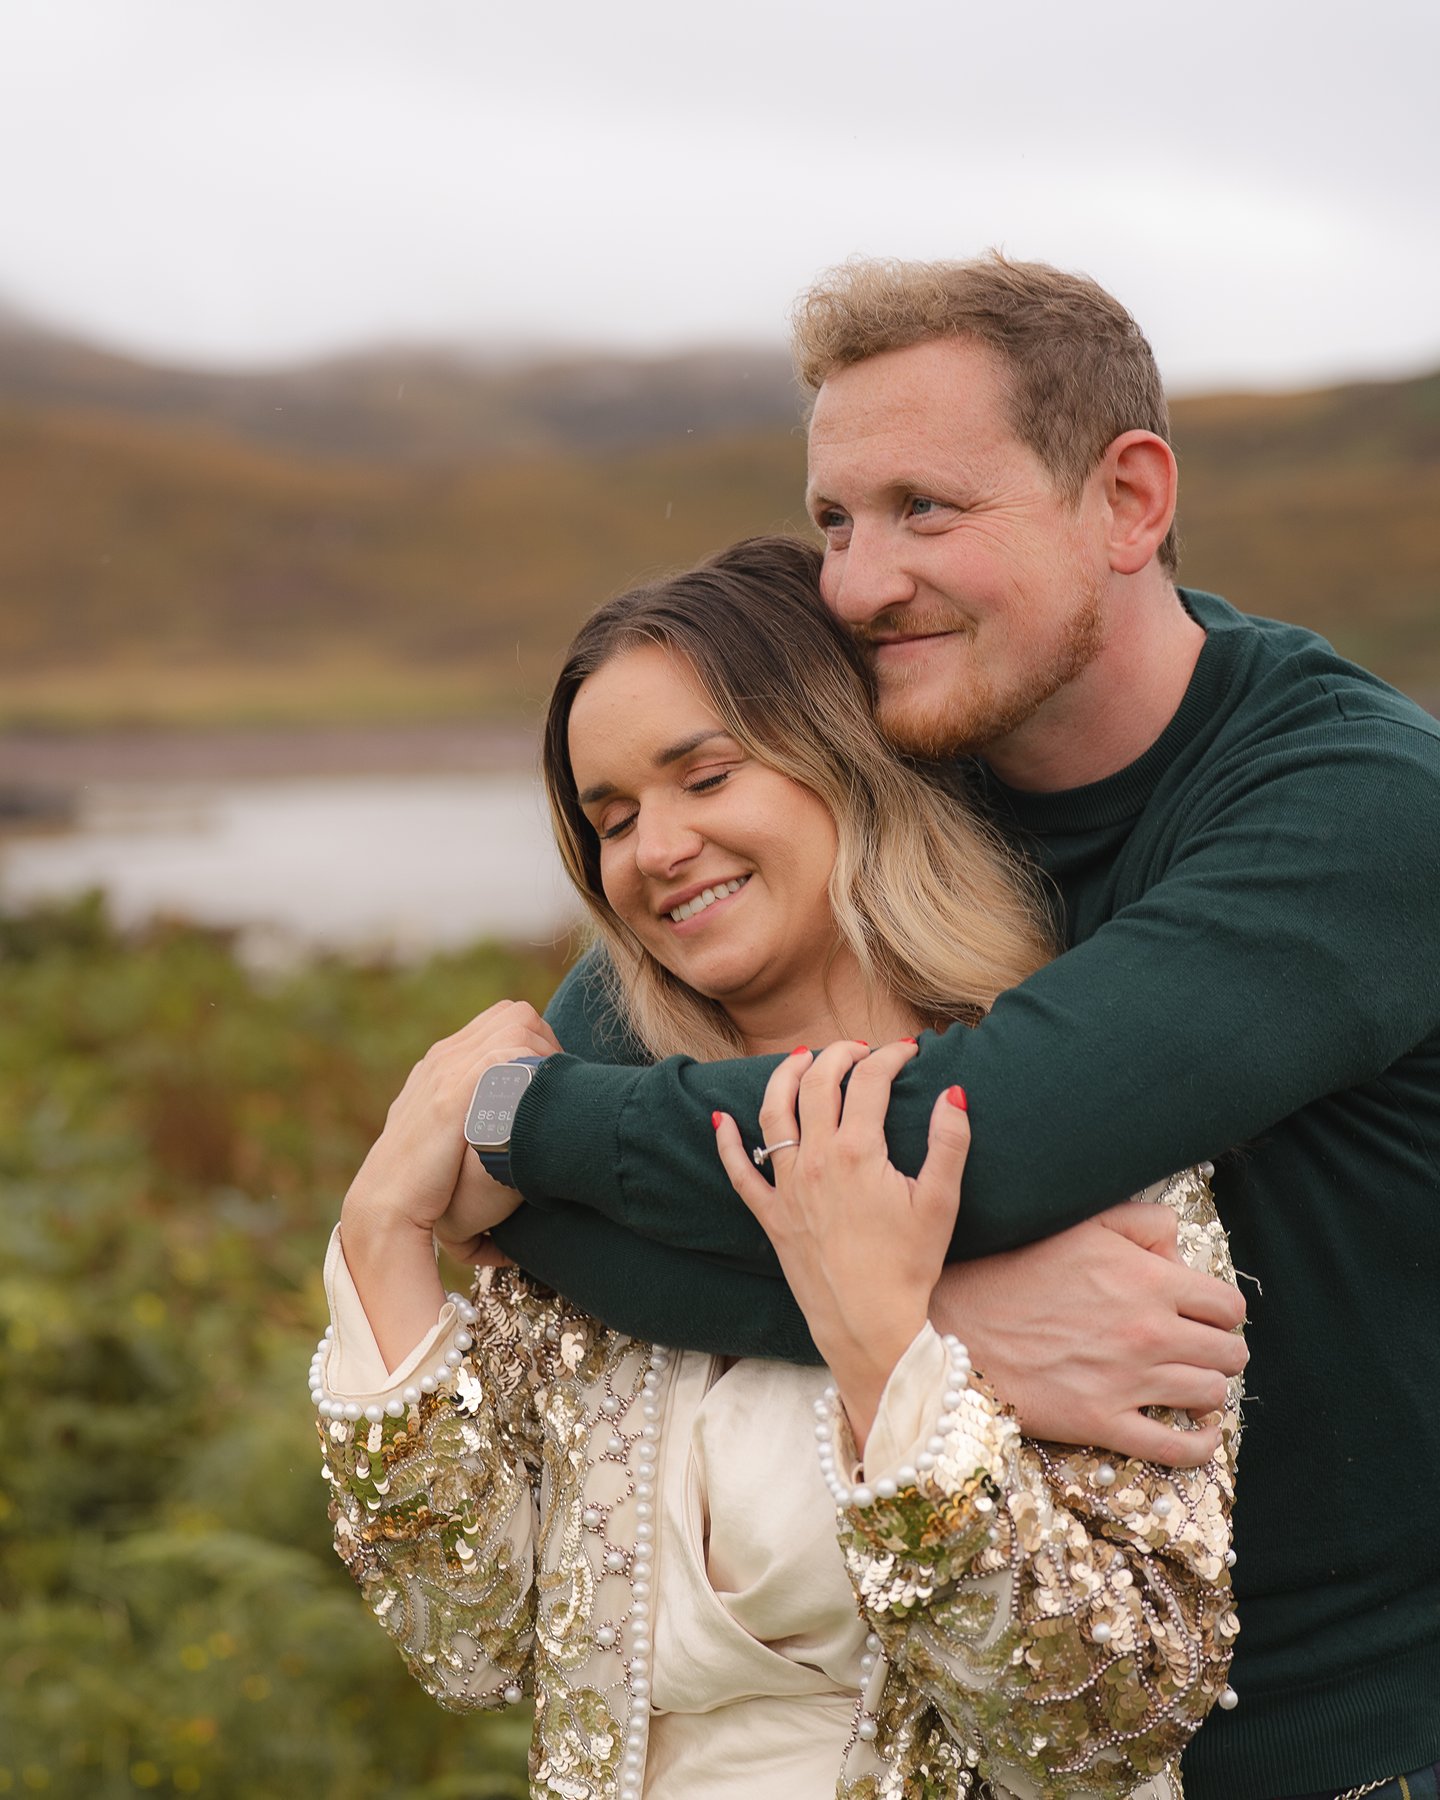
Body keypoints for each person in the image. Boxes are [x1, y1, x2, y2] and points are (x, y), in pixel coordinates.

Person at [465, 258, 1440, 1800]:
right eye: (836, 521)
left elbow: (970, 1142)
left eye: (926, 508)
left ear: (1128, 500)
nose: (858, 585)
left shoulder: (1354, 806)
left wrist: (516, 1120)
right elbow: (549, 1209)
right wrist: (936, 1327)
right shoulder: (909, 763)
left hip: (1340, 1746)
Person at [312, 537, 1243, 1800]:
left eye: (706, 776)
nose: (656, 849)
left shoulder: (1059, 1135)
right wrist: (381, 1227)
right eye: (613, 820)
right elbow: (467, 1642)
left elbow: (1105, 1722)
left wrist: (892, 1355)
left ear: (845, 761)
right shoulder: (596, 1174)